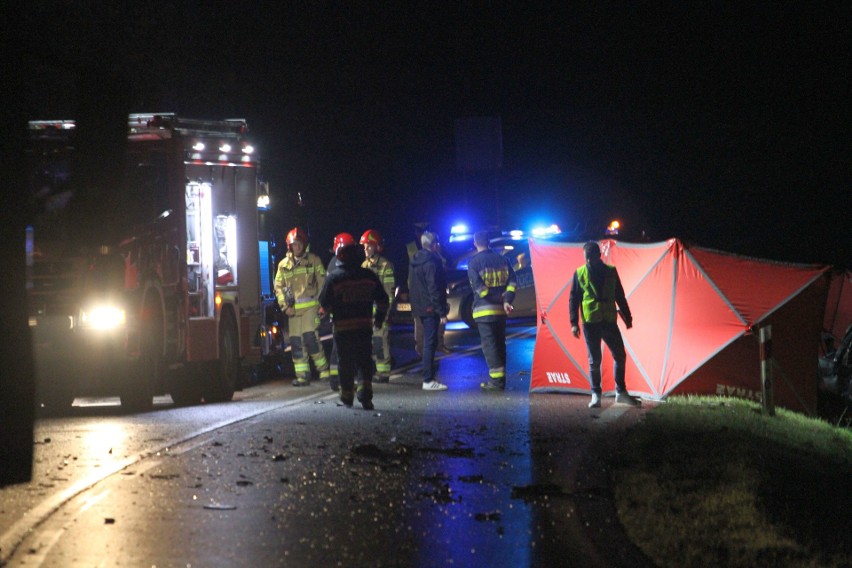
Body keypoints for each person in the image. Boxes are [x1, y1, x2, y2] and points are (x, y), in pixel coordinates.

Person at [319, 233, 389, 410]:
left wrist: (327, 313)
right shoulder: (369, 276)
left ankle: (347, 396)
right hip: (364, 328)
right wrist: (379, 319)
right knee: (365, 362)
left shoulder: (334, 278)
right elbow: (383, 300)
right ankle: (366, 396)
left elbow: (324, 303)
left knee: (345, 362)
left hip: (343, 329)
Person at [569, 241, 641, 408]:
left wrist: (627, 317)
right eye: (586, 258)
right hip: (590, 323)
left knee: (620, 356)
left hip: (609, 321)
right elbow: (574, 299)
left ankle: (621, 393)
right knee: (594, 360)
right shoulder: (579, 273)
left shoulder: (611, 272)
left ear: (598, 256)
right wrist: (574, 323)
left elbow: (619, 295)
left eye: (590, 258)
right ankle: (596, 395)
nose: (588, 261)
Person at [274, 227, 331, 387]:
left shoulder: (314, 261)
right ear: (289, 246)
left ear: (304, 245)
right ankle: (302, 376)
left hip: (311, 308)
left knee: (310, 339)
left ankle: (324, 372)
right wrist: (285, 307)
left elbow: (323, 284)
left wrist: (323, 306)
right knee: (296, 343)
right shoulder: (283, 265)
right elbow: (278, 287)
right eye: (294, 244)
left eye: (299, 244)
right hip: (293, 312)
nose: (296, 247)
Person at [468, 231, 517, 391]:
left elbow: (480, 290)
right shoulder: (503, 259)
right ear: (489, 242)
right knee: (500, 344)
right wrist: (506, 300)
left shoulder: (474, 263)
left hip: (484, 311)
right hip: (501, 311)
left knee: (490, 346)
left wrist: (497, 298)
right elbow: (512, 282)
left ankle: (496, 382)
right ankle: (500, 380)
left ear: (475, 243)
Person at [408, 230, 449, 391]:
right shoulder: (432, 261)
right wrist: (441, 311)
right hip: (430, 307)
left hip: (419, 307)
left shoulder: (415, 260)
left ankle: (428, 377)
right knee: (430, 344)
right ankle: (428, 379)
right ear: (433, 245)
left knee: (426, 342)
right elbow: (434, 287)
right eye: (437, 243)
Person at [406, 222, 451, 356]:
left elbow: (446, 262)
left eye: (425, 230)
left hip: (430, 289)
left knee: (438, 322)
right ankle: (421, 349)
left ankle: (439, 345)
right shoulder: (410, 248)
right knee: (420, 324)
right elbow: (404, 270)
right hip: (418, 290)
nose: (423, 232)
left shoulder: (436, 249)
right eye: (420, 230)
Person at [360, 229, 396, 382]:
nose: (366, 249)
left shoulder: (386, 266)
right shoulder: (363, 265)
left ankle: (384, 373)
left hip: (379, 313)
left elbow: (388, 293)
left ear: (376, 247)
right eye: (364, 247)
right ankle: (377, 369)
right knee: (372, 344)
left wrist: (383, 314)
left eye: (369, 246)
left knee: (381, 343)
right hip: (366, 315)